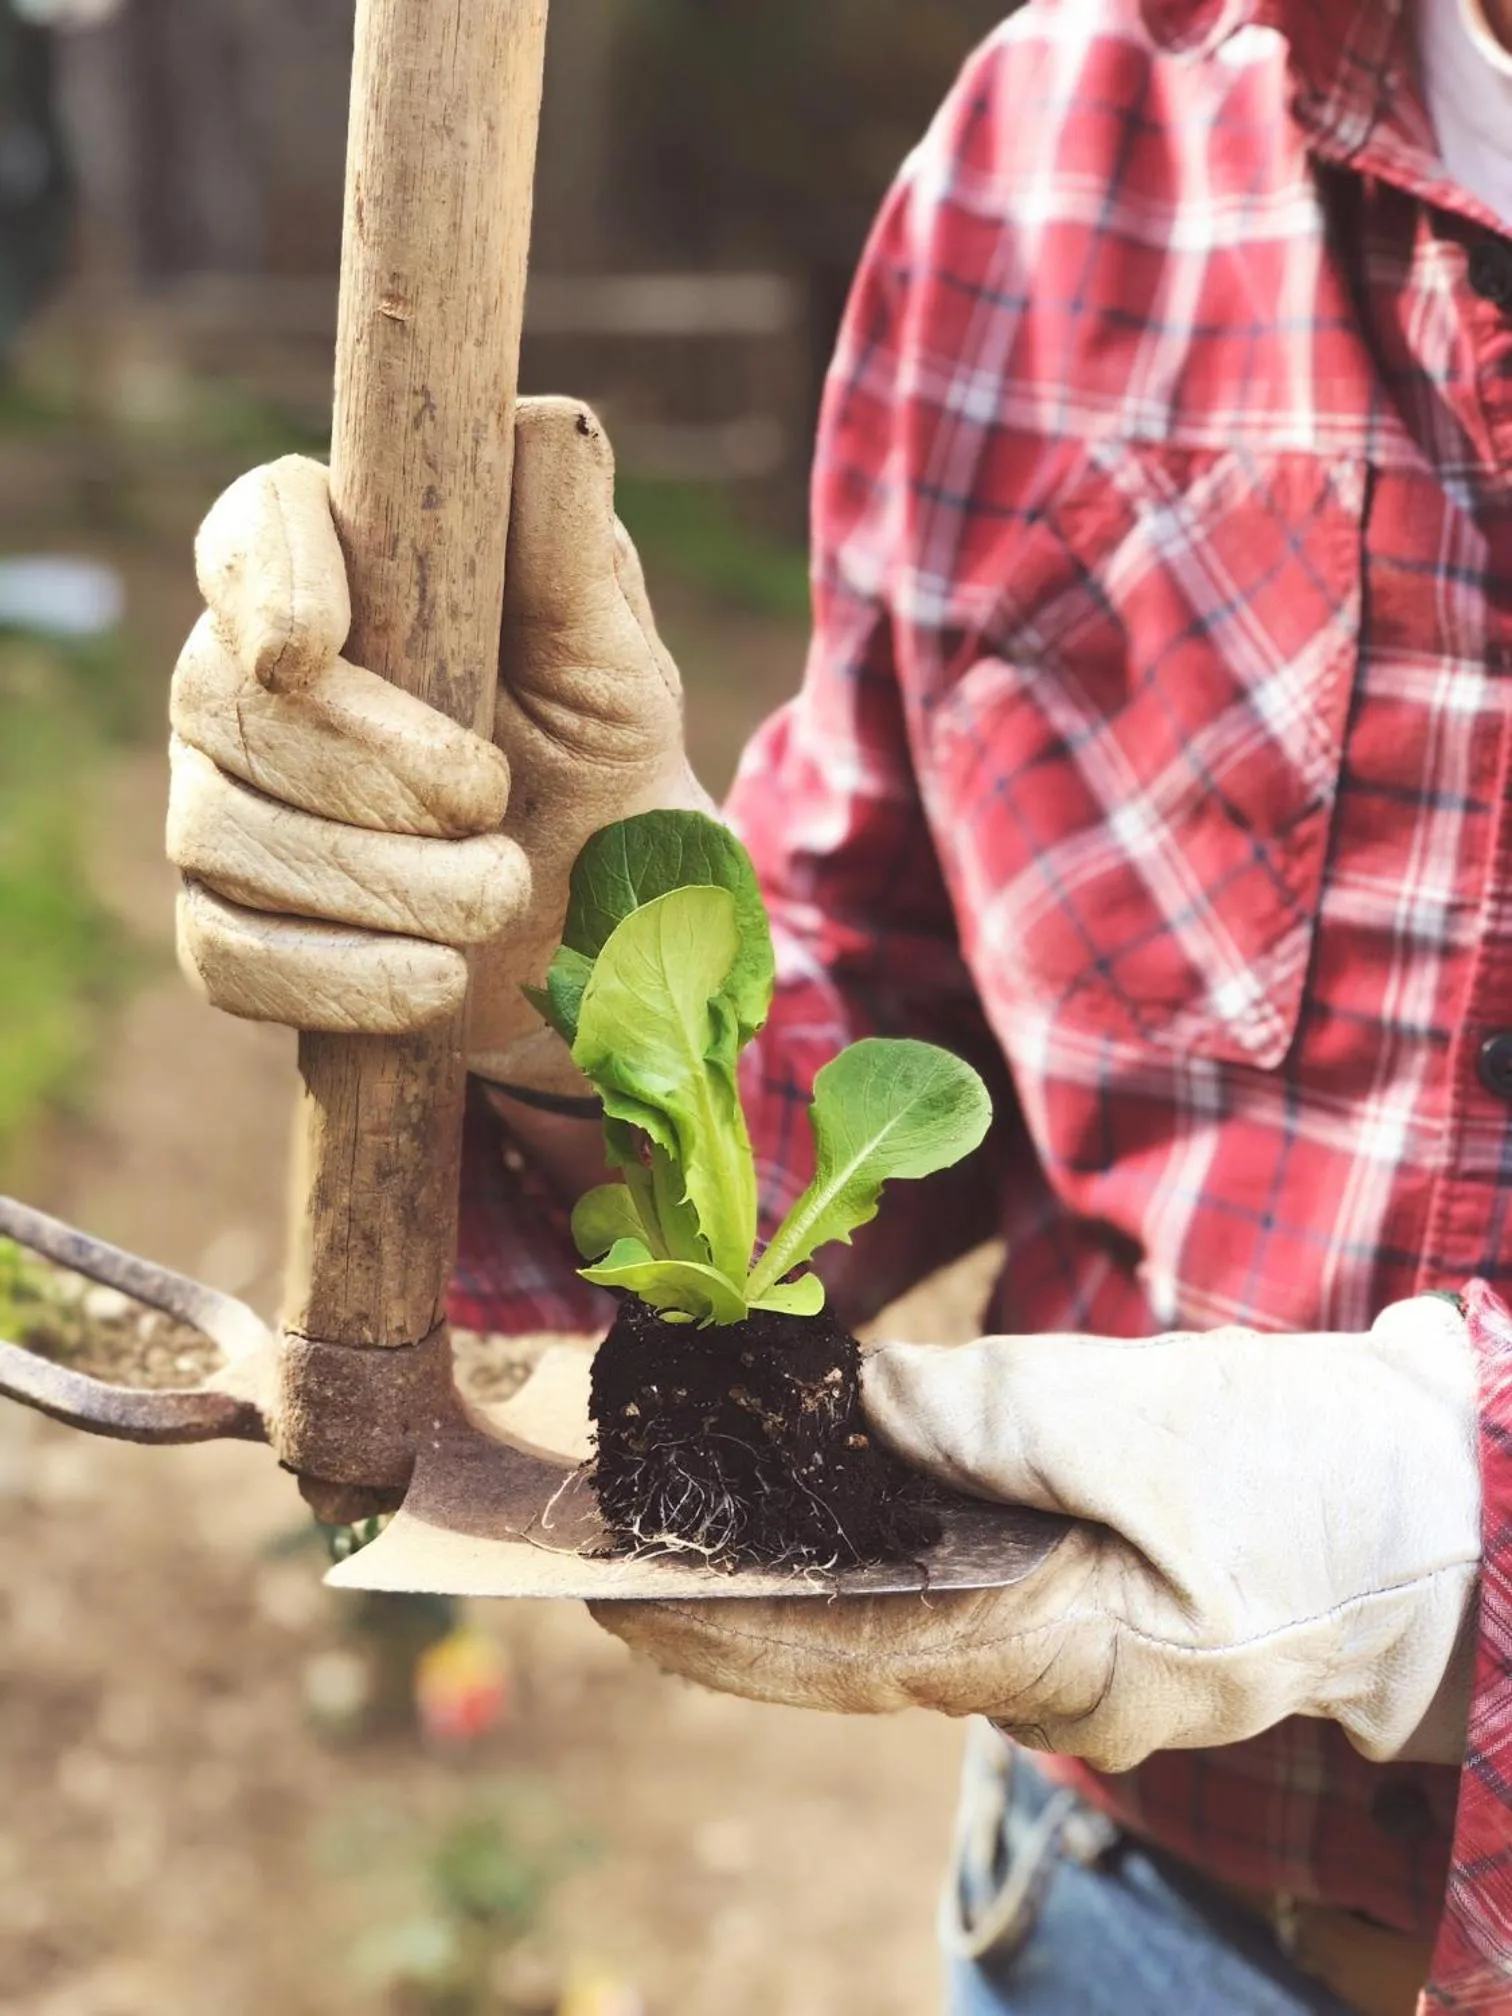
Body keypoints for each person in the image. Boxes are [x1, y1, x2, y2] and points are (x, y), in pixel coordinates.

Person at [162, 0, 1512, 2007]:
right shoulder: (1068, 143)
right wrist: (574, 997)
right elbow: (891, 1002)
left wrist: (1433, 1519)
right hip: (1119, 1918)